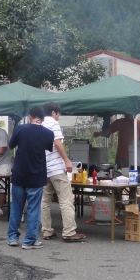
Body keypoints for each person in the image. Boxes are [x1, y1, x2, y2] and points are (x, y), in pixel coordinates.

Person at [7, 107, 55, 249]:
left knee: (16, 207)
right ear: (43, 119)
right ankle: (29, 241)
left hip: (19, 175)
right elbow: (48, 147)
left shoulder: (20, 129)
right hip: (36, 175)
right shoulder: (48, 133)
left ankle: (12, 238)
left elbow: (10, 146)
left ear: (29, 116)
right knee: (34, 209)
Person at [41, 102, 86, 242]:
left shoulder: (39, 124)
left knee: (44, 201)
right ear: (54, 113)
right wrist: (67, 161)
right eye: (58, 114)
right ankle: (69, 231)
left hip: (43, 168)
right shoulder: (53, 123)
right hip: (56, 168)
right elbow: (58, 143)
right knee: (66, 199)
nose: (58, 117)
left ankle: (47, 231)